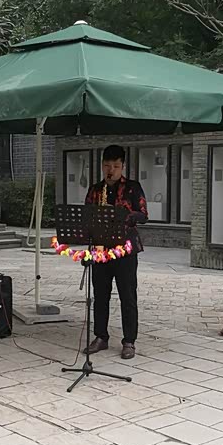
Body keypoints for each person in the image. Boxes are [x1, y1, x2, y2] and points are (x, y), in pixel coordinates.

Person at [84, 144, 148, 360]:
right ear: (102, 166)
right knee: (100, 296)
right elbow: (86, 216)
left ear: (123, 166)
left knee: (127, 296)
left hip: (125, 250)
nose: (111, 170)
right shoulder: (95, 190)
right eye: (107, 166)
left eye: (115, 166)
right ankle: (100, 336)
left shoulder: (132, 188)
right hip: (101, 249)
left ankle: (129, 341)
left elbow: (143, 215)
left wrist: (121, 214)